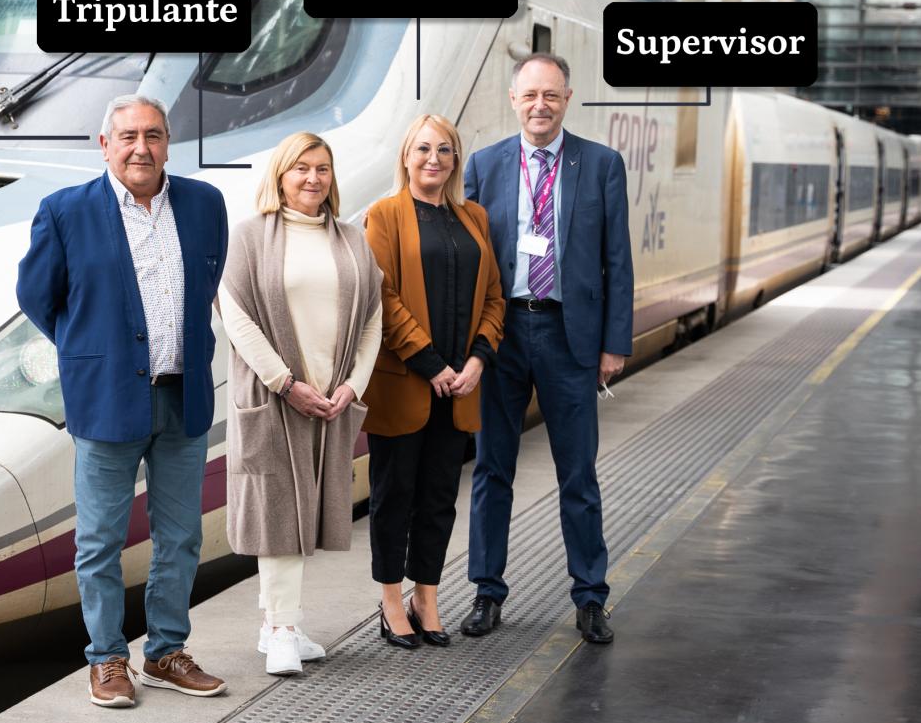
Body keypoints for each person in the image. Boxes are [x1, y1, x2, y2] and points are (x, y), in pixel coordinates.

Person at [16, 95, 231, 708]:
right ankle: (108, 659)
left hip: (183, 395)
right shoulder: (64, 212)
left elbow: (207, 283)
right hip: (107, 399)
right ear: (104, 144)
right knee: (101, 538)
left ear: (169, 141)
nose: (142, 147)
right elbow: (38, 296)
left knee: (181, 535)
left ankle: (165, 652)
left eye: (154, 135)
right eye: (129, 136)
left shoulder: (203, 204)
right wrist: (89, 349)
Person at [460, 53, 634, 645]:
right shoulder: (483, 166)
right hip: (501, 334)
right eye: (530, 95)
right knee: (491, 469)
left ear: (567, 99)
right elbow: (470, 262)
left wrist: (615, 343)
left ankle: (590, 597)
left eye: (551, 96)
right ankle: (486, 591)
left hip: (570, 336)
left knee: (578, 473)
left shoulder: (603, 165)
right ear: (513, 100)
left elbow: (618, 261)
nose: (541, 105)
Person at [217, 132, 384, 676]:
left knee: (303, 512)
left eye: (323, 169)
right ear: (281, 175)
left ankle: (274, 626)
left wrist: (352, 386)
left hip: (328, 399)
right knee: (279, 513)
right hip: (275, 396)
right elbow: (235, 315)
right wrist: (285, 383)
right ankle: (286, 628)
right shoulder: (248, 237)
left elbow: (372, 322)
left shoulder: (353, 240)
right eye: (302, 169)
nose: (313, 179)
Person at [356, 114, 505, 650]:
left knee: (441, 495)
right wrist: (432, 363)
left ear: (456, 159)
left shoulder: (474, 218)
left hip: (461, 387)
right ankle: (391, 600)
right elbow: (383, 298)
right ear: (406, 156)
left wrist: (477, 361)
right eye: (423, 149)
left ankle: (428, 595)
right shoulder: (385, 215)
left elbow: (494, 298)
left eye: (444, 150)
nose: (433, 159)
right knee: (394, 494)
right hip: (407, 383)